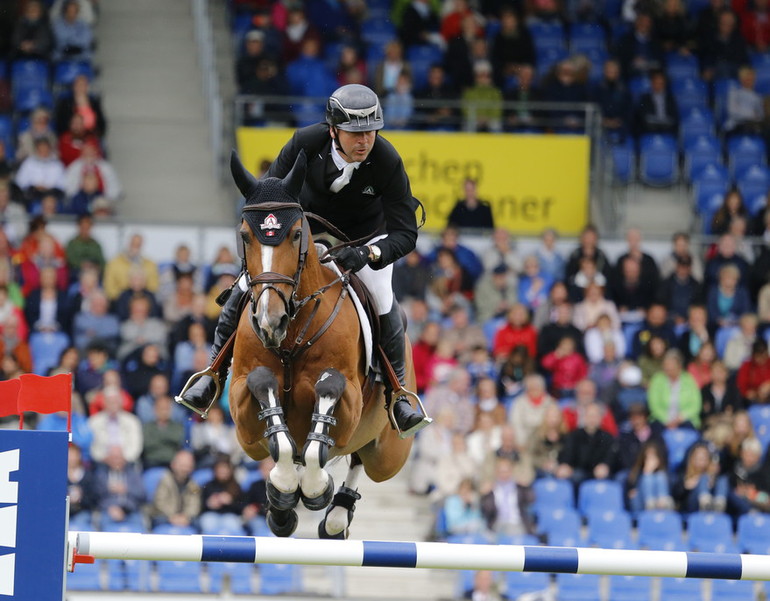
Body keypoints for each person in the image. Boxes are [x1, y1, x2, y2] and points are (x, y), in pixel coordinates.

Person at [178, 84, 429, 436]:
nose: (364, 140)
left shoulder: (386, 161)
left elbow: (406, 232)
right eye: (355, 132)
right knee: (249, 282)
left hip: (363, 240)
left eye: (371, 131)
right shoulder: (306, 143)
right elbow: (269, 195)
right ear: (333, 131)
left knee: (383, 298)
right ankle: (212, 374)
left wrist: (370, 253)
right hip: (302, 231)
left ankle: (397, 394)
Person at [150, 449, 201, 529]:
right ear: (173, 465)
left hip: (185, 518)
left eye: (188, 466)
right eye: (182, 465)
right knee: (158, 520)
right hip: (165, 516)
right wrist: (173, 517)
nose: (185, 469)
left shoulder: (193, 484)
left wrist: (186, 517)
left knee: (198, 522)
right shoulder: (165, 479)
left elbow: (195, 504)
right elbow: (160, 502)